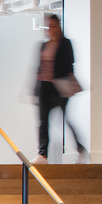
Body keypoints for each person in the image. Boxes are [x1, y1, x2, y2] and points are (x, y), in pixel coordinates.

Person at [33, 12, 87, 164]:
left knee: (66, 120)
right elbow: (38, 69)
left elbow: (70, 67)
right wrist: (34, 90)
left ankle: (81, 150)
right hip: (44, 88)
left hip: (59, 88)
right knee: (43, 122)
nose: (50, 29)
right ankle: (42, 155)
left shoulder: (66, 44)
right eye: (48, 26)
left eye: (53, 26)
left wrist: (69, 87)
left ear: (58, 26)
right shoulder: (43, 45)